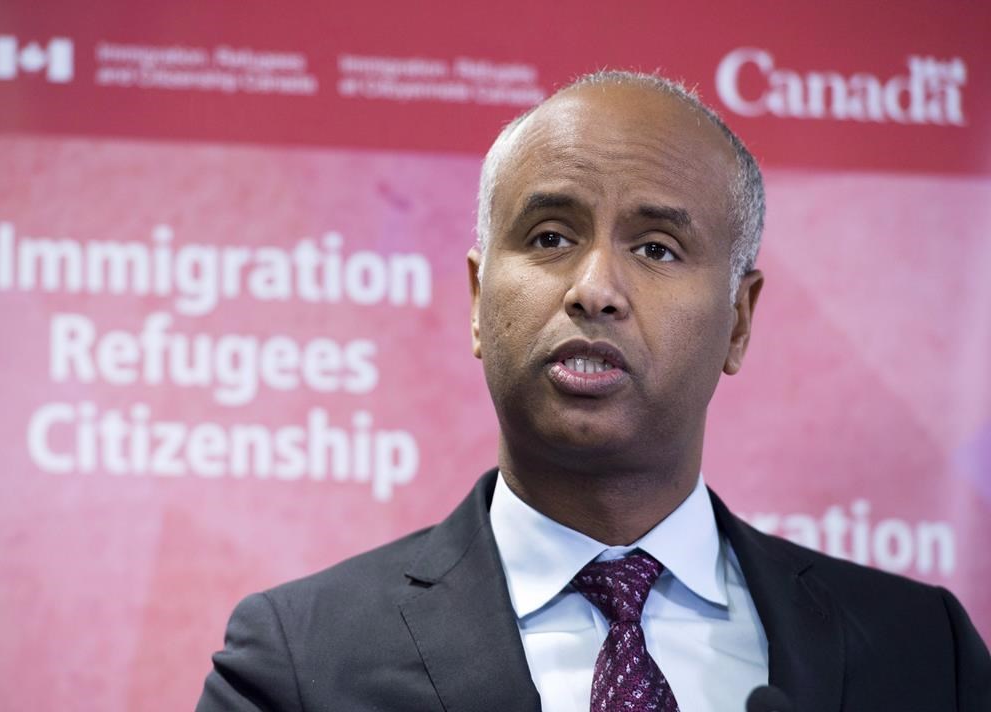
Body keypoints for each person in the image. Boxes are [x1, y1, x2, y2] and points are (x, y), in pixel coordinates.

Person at [196, 71, 990, 712]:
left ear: (739, 323)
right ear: (477, 301)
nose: (595, 288)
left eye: (656, 247)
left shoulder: (923, 654)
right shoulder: (300, 663)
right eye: (550, 238)